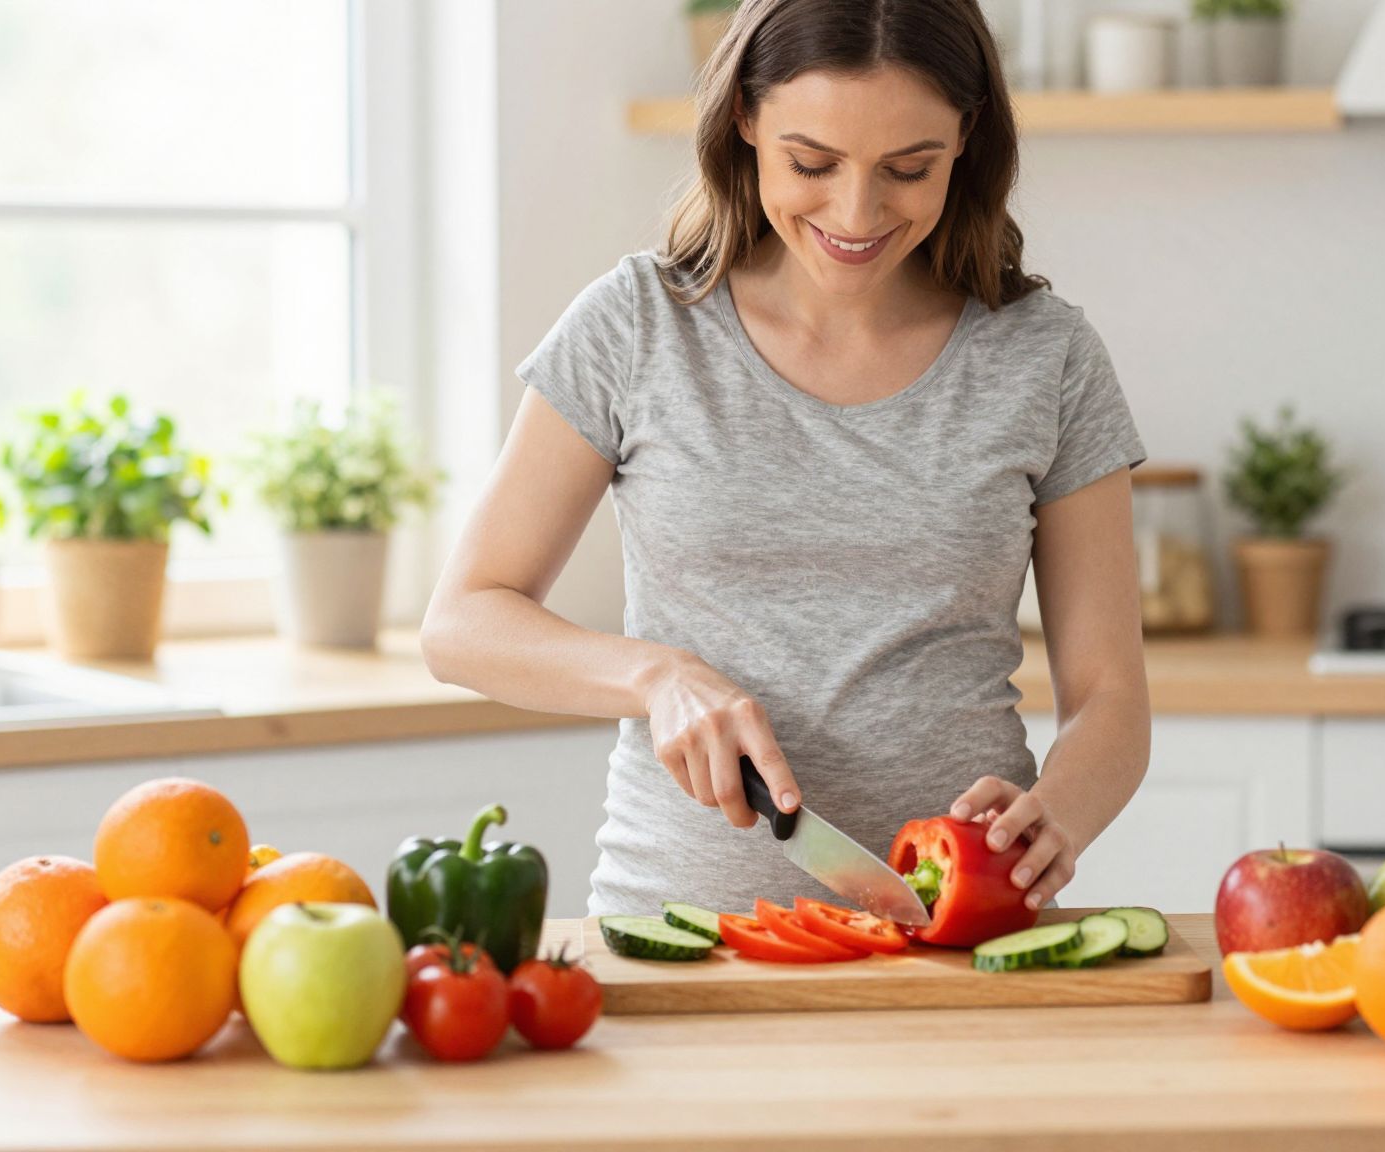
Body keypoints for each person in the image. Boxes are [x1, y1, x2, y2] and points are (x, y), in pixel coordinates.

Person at [422, 0, 1151, 919]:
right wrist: (657, 678)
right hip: (681, 932)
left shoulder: (1044, 358)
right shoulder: (637, 328)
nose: (857, 213)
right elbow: (462, 623)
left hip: (957, 940)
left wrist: (1058, 817)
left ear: (966, 139)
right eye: (811, 163)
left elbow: (1111, 698)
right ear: (745, 121)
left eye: (907, 169)